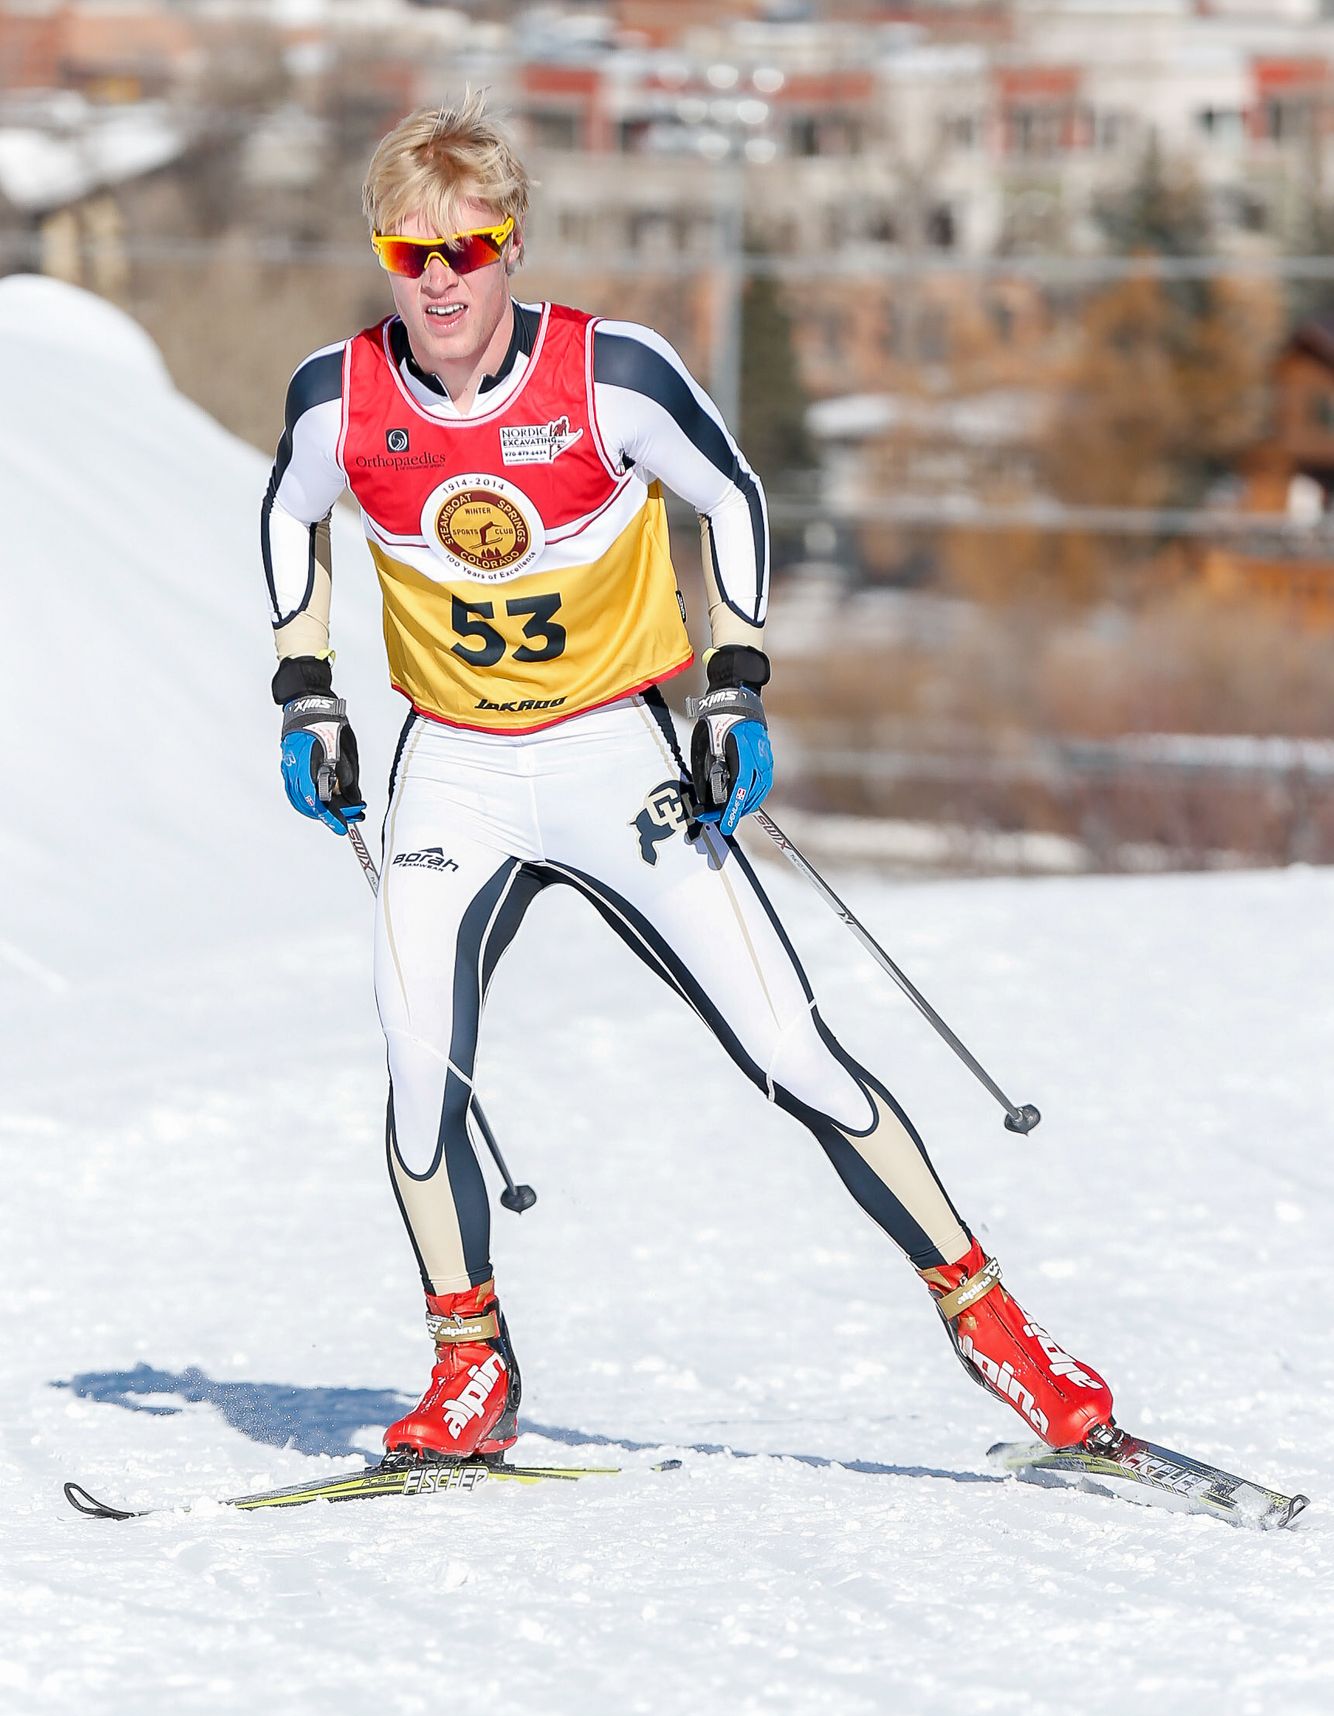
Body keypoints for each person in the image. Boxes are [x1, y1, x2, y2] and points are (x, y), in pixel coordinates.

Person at [260, 95, 1115, 1466]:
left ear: (510, 245)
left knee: (790, 1054)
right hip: (456, 767)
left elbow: (732, 496)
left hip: (612, 751)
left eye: (465, 249)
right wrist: (306, 690)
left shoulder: (611, 374)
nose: (439, 282)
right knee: (419, 1070)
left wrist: (735, 681)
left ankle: (993, 1326)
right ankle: (470, 1363)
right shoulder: (339, 395)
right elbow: (289, 515)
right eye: (408, 254)